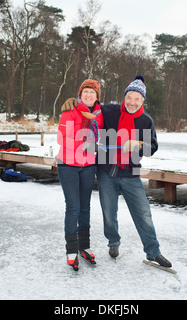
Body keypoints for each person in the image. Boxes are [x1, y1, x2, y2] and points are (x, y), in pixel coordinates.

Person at [62, 76, 172, 268]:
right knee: (108, 214)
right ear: (125, 97)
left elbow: (152, 147)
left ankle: (153, 252)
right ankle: (113, 243)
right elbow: (90, 106)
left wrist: (139, 144)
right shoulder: (110, 111)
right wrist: (74, 102)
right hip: (106, 173)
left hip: (130, 175)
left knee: (143, 214)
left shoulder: (146, 121)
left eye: (137, 99)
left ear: (142, 101)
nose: (132, 102)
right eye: (129, 97)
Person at [56, 79, 104, 271]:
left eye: (92, 92)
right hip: (68, 165)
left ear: (97, 96)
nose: (89, 95)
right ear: (80, 93)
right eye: (85, 91)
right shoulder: (70, 110)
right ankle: (71, 250)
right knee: (73, 207)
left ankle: (84, 246)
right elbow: (61, 137)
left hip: (88, 165)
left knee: (85, 206)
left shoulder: (98, 115)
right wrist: (81, 145)